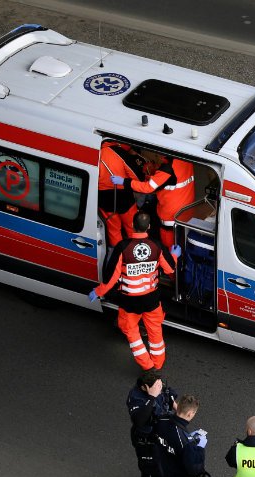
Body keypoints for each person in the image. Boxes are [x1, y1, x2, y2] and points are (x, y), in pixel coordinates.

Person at [88, 212, 181, 372]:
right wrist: (174, 255)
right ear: (149, 227)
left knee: (131, 333)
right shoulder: (156, 246)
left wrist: (98, 291)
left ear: (132, 225)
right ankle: (157, 364)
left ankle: (147, 365)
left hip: (129, 301)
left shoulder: (123, 247)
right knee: (155, 333)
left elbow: (112, 277)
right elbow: (170, 268)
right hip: (151, 300)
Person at [112, 154, 195, 249]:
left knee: (169, 246)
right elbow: (170, 181)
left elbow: (148, 187)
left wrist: (124, 182)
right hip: (186, 210)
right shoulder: (186, 160)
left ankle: (172, 260)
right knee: (182, 239)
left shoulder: (167, 169)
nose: (157, 157)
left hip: (170, 216)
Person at [127, 371, 176, 477]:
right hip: (147, 441)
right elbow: (139, 420)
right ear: (145, 388)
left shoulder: (159, 385)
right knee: (152, 472)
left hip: (164, 435)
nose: (160, 389)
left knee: (167, 463)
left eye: (160, 386)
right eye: (156, 388)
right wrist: (151, 397)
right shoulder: (136, 397)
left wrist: (176, 407)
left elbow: (170, 396)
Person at [98, 141, 147, 248]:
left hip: (103, 197)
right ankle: (135, 251)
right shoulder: (121, 153)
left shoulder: (95, 152)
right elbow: (137, 177)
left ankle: (118, 253)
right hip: (124, 196)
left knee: (113, 230)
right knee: (133, 227)